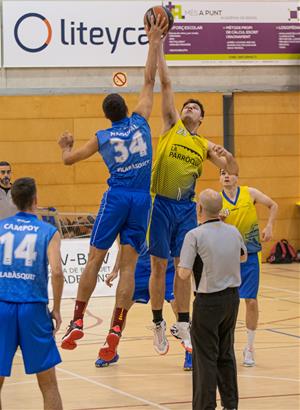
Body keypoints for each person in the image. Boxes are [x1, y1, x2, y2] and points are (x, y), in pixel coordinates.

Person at [59, 17, 167, 362]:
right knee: (130, 267)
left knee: (95, 257)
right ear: (126, 109)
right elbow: (149, 79)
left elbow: (69, 161)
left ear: (107, 116)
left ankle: (77, 319)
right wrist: (153, 41)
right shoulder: (141, 121)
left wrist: (65, 146)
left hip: (117, 197)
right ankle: (116, 330)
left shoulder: (102, 137)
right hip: (141, 200)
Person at [148, 41, 239, 355]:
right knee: (159, 266)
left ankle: (183, 321)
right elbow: (167, 82)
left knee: (183, 266)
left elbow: (232, 170)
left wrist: (227, 158)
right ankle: (158, 321)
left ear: (201, 118)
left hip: (186, 207)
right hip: (159, 202)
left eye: (194, 108)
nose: (187, 109)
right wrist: (157, 46)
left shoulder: (204, 145)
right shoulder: (172, 127)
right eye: (185, 106)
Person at [178, 189, 247, 410]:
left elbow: (184, 273)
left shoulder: (195, 235)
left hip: (208, 302)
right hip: (232, 300)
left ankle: (204, 407)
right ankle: (231, 404)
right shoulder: (233, 231)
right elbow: (243, 256)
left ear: (199, 208)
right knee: (226, 352)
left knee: (205, 357)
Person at [0, 177, 64, 410]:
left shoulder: (1, 227)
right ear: (35, 200)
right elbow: (57, 271)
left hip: (2, 306)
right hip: (33, 308)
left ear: (14, 201)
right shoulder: (48, 231)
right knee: (48, 385)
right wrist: (56, 309)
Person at [96, 247, 193, 370]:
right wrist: (116, 269)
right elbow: (124, 246)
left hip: (166, 268)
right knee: (120, 307)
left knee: (179, 307)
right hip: (139, 267)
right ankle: (111, 349)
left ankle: (190, 350)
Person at [219, 169, 278, 366]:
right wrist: (219, 220)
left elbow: (273, 205)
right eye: (222, 173)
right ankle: (225, 346)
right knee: (228, 303)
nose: (226, 176)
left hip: (251, 253)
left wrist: (269, 226)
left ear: (237, 176)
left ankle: (250, 347)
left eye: (230, 173)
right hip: (228, 256)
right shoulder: (217, 201)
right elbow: (207, 225)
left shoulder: (249, 193)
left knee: (251, 301)